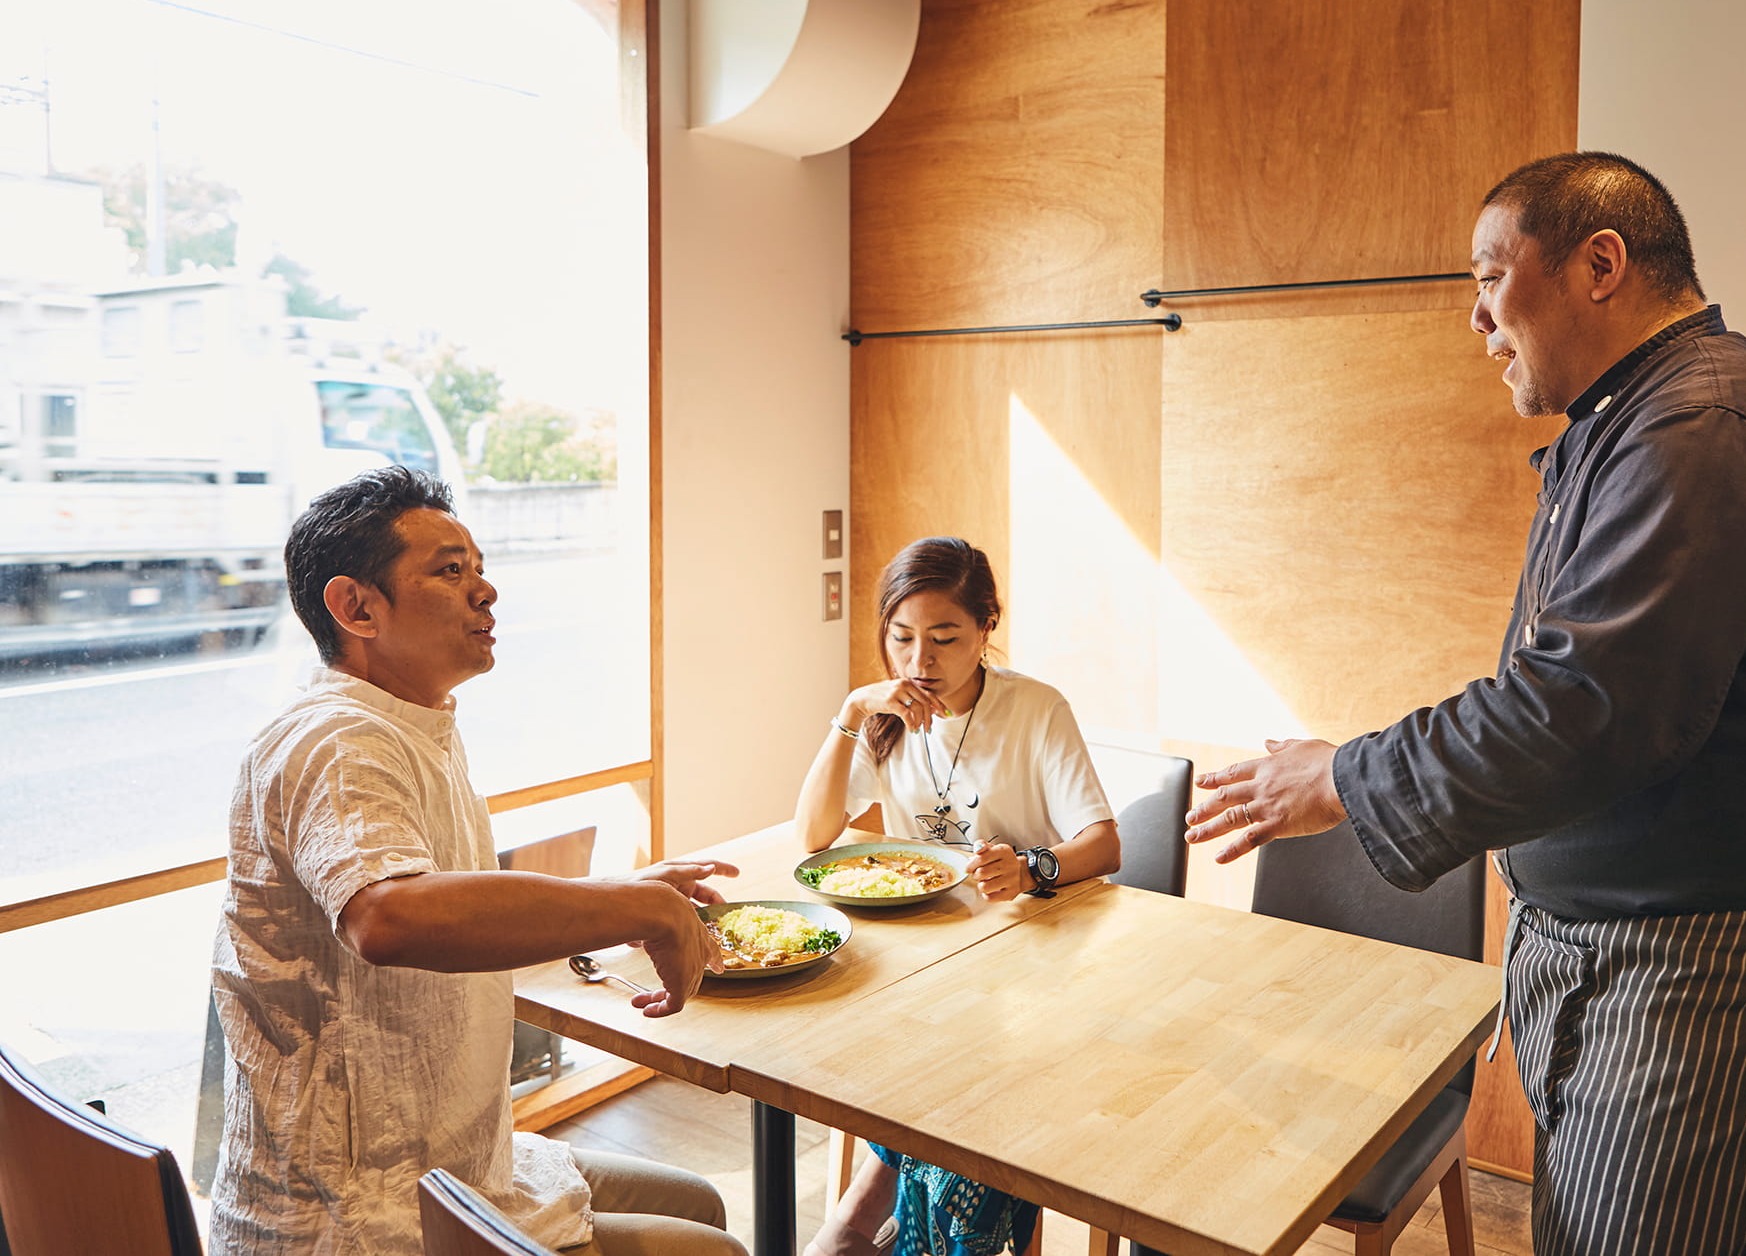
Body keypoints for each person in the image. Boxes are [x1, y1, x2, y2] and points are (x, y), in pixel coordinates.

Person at [1186, 152, 1746, 1256]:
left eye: (1487, 275)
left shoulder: (1702, 427)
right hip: (1638, 954)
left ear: (1597, 264)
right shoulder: (1632, 421)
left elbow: (1579, 708)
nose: (1474, 317)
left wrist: (1341, 776)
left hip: (1699, 974)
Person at [210, 465, 745, 1256]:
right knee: (719, 1252)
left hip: (448, 1160)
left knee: (696, 1198)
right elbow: (388, 915)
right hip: (356, 1211)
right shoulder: (336, 737)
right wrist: (639, 907)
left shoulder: (407, 724)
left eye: (480, 568)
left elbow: (441, 894)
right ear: (357, 606)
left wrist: (621, 892)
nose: (486, 591)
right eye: (450, 571)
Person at [794, 536, 1119, 1256]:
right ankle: (879, 1223)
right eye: (902, 638)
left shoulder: (1036, 708)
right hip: (924, 967)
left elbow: (1103, 842)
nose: (920, 662)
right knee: (894, 1054)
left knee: (959, 1077)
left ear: (985, 631)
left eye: (944, 638)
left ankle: (866, 1224)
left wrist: (1034, 865)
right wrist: (852, 708)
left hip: (1032, 971)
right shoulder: (884, 715)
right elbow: (813, 834)